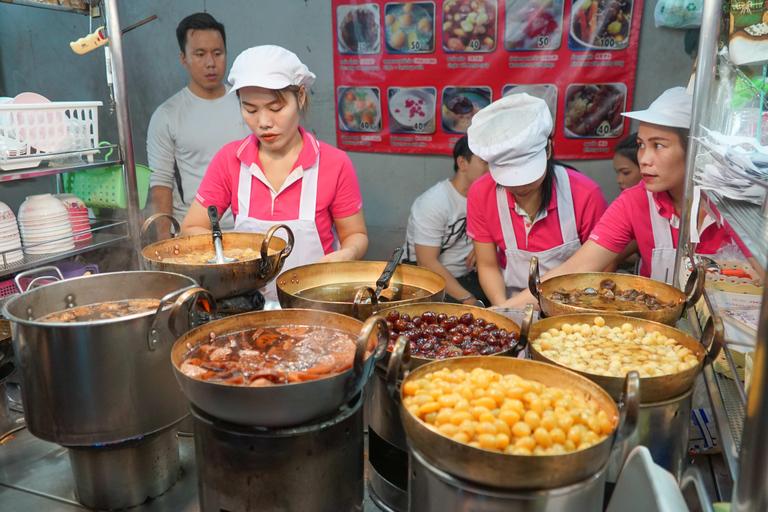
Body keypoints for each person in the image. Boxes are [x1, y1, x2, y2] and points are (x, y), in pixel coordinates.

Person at [503, 87, 734, 308]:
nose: (644, 159)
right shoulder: (634, 201)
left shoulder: (734, 206)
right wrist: (501, 310)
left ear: (696, 151)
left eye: (658, 146)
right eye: (641, 145)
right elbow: (575, 268)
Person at [180, 45, 368, 292]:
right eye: (250, 109)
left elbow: (355, 235)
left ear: (300, 97)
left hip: (313, 301)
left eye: (275, 108)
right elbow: (191, 229)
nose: (264, 122)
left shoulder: (334, 163)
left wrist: (347, 253)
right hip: (247, 303)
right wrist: (233, 258)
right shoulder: (230, 160)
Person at [466, 94, 609, 306]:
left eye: (528, 175)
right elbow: (487, 265)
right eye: (508, 178)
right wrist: (502, 307)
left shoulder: (585, 194)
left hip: (575, 304)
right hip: (511, 300)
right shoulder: (481, 193)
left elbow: (604, 268)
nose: (520, 186)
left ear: (548, 149)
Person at [147, 13, 250, 239]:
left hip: (246, 231)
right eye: (200, 54)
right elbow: (161, 183)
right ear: (184, 59)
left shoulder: (248, 105)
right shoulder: (166, 115)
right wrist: (164, 243)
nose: (210, 63)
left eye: (217, 53)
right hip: (193, 235)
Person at [403, 136, 489, 305]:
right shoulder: (433, 203)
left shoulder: (488, 196)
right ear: (462, 163)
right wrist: (467, 299)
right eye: (485, 162)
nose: (491, 168)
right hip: (430, 279)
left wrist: (483, 247)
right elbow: (427, 263)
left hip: (468, 275)